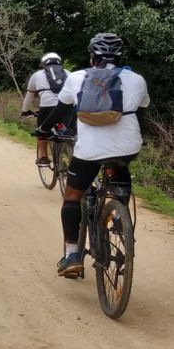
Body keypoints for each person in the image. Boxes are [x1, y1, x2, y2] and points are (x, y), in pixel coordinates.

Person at [36, 33, 150, 277]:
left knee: (72, 196)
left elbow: (61, 111)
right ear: (119, 57)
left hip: (90, 151)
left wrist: (44, 129)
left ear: (92, 57)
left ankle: (72, 255)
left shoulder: (77, 77)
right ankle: (121, 219)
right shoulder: (137, 80)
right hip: (127, 147)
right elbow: (140, 112)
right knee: (119, 172)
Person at [21, 52, 71, 166]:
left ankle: (43, 158)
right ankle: (73, 152)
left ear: (43, 64)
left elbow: (30, 96)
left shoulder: (37, 75)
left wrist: (25, 111)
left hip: (47, 107)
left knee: (42, 131)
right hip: (68, 106)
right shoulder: (68, 73)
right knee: (71, 132)